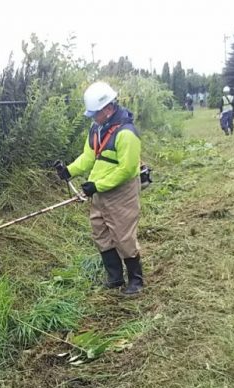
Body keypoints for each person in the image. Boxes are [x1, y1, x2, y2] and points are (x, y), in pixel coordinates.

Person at [54, 81, 144, 295]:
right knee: (100, 231)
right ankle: (115, 278)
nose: (93, 117)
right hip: (100, 190)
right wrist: (69, 171)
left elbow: (127, 169)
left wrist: (97, 185)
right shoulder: (96, 128)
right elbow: (88, 157)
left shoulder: (127, 133)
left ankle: (136, 281)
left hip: (121, 191)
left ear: (108, 109)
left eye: (95, 113)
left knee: (123, 235)